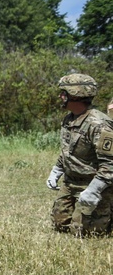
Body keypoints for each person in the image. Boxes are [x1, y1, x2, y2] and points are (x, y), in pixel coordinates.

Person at [46, 74, 113, 236]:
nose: (61, 96)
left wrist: (94, 190)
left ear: (76, 94)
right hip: (71, 182)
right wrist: (56, 171)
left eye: (64, 93)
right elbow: (67, 151)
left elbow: (110, 164)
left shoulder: (98, 124)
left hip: (94, 184)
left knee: (85, 232)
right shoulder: (69, 119)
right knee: (60, 224)